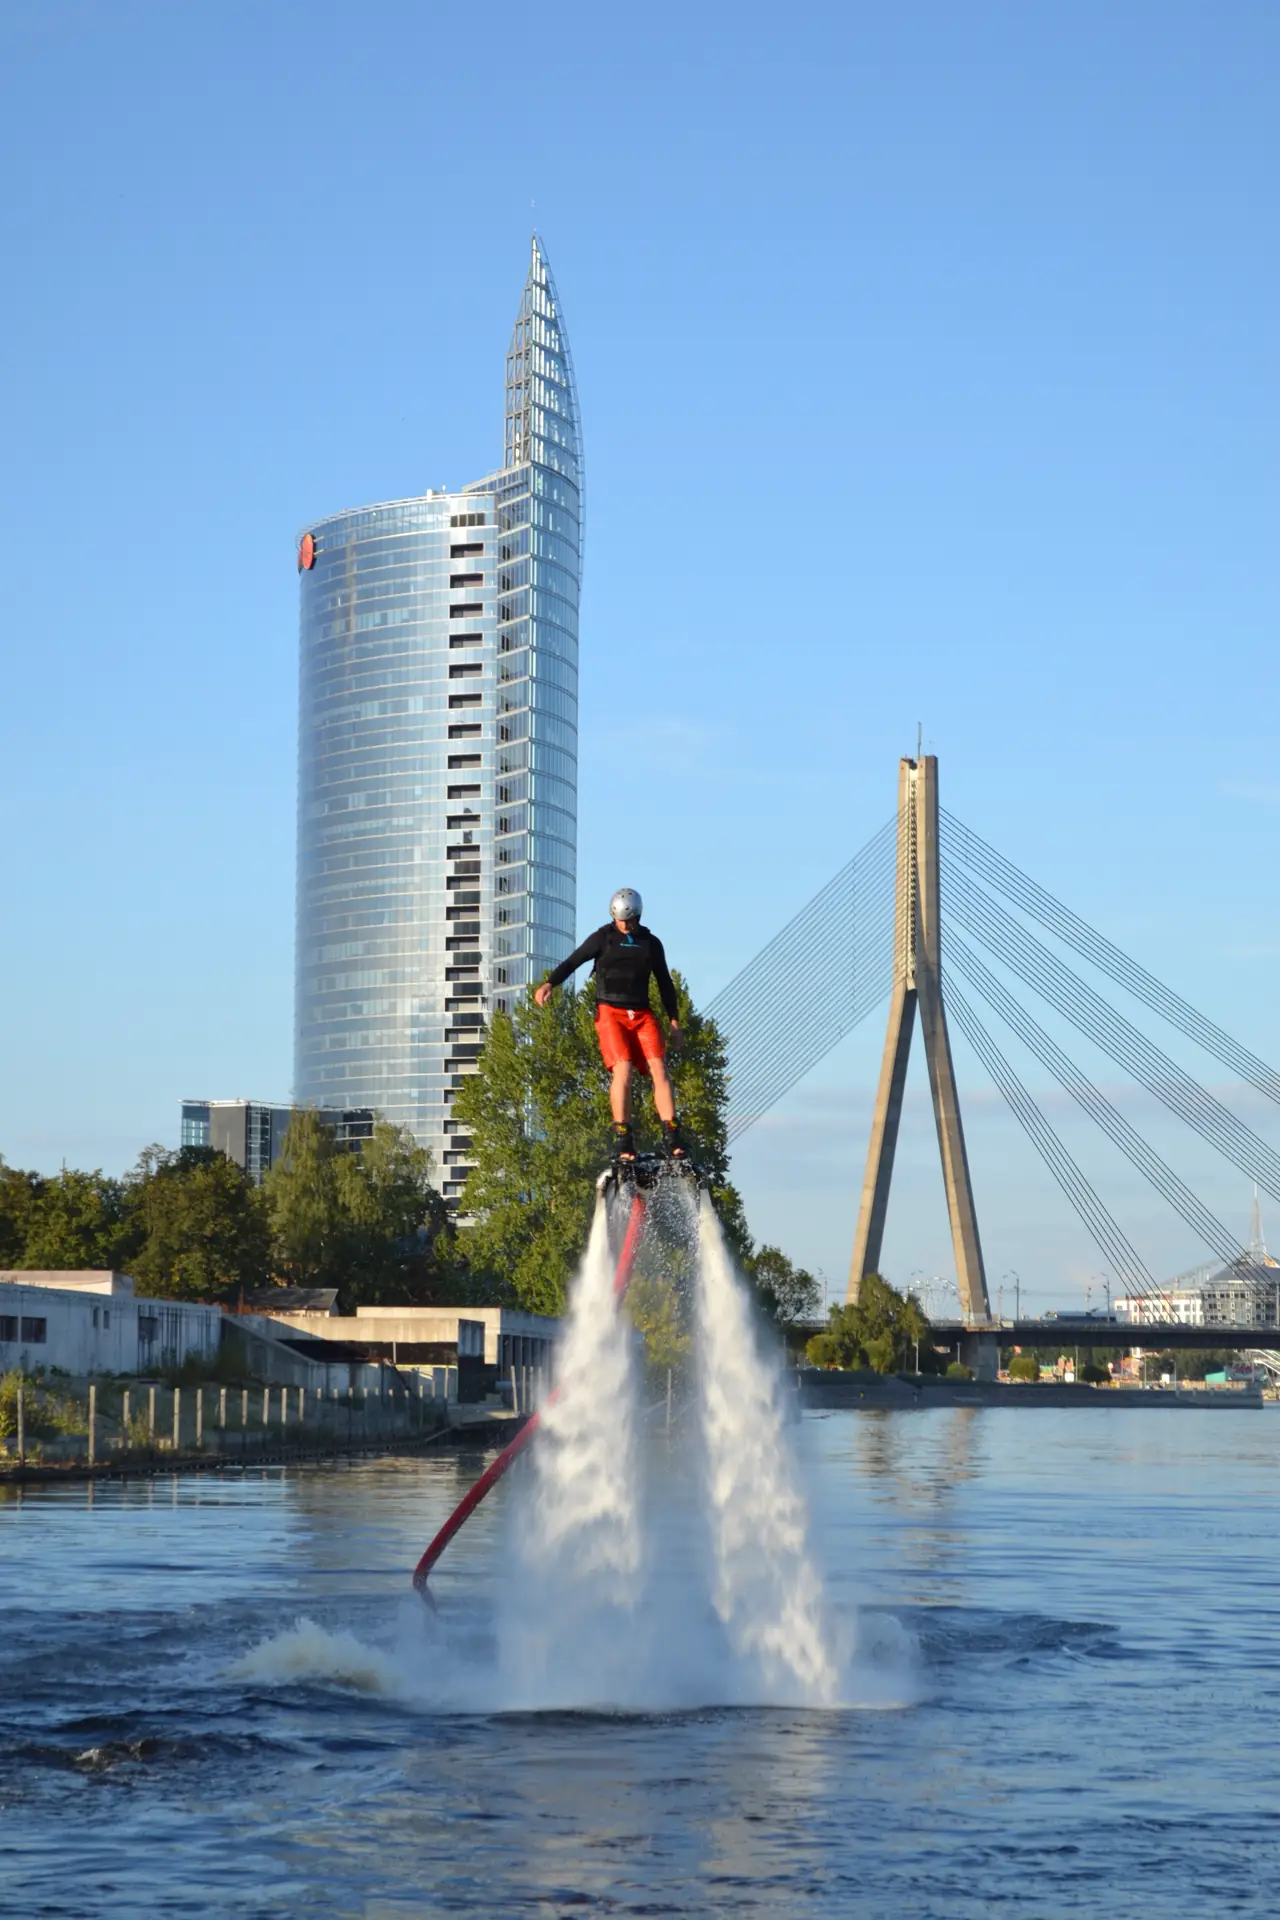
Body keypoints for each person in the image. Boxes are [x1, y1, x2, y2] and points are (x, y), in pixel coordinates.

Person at [534, 887, 687, 1161]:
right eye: (619, 920)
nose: (623, 925)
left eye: (628, 921)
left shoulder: (651, 943)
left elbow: (665, 983)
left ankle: (672, 1134)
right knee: (623, 1070)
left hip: (642, 1013)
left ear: (638, 916)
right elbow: (573, 961)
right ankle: (623, 1137)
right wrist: (549, 983)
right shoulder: (603, 938)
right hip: (610, 1012)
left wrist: (674, 1021)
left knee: (659, 1068)